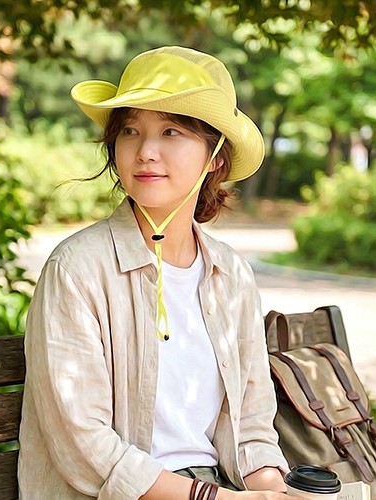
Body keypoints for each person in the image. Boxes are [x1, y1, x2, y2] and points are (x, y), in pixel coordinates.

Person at [18, 46, 304, 500]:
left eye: (171, 131)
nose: (146, 152)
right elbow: (84, 445)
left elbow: (251, 426)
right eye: (130, 131)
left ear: (215, 158)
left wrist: (274, 491)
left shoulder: (230, 275)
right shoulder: (76, 270)